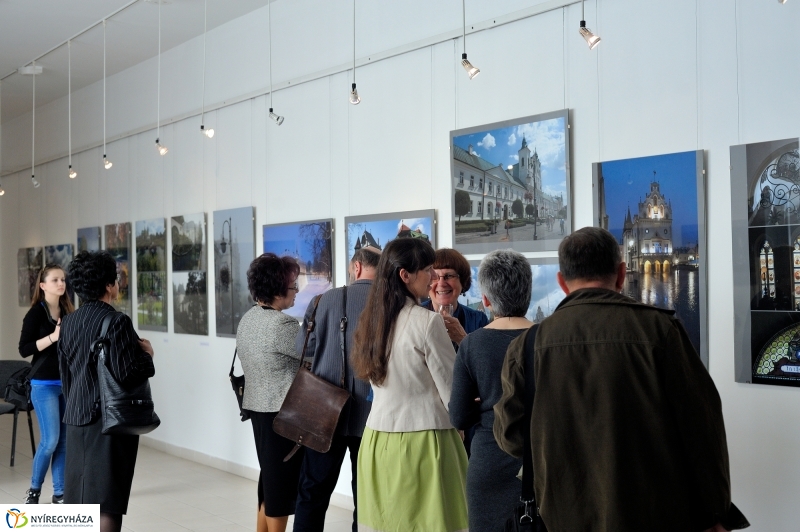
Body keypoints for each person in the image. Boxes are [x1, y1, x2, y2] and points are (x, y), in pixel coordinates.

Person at [494, 227, 750, 532]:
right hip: (655, 513)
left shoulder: (526, 345)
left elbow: (510, 437)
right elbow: (702, 431)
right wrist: (714, 512)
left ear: (562, 282)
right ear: (621, 273)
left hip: (563, 514)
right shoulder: (661, 331)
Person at [351, 238, 468, 532]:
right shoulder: (428, 322)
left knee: (388, 524)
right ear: (405, 275)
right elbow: (454, 393)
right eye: (428, 270)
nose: (432, 278)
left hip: (377, 440)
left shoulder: (370, 320)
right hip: (426, 441)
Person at [58, 251, 155, 532]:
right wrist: (148, 355)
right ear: (110, 285)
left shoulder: (69, 322)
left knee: (80, 501)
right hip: (109, 421)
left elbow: (67, 374)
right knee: (108, 500)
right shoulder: (117, 322)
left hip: (76, 416)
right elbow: (127, 373)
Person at [292, 247, 380, 532]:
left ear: (356, 268)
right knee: (366, 497)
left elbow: (302, 350)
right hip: (373, 415)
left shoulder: (322, 300)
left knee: (312, 492)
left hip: (324, 413)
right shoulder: (390, 304)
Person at [449, 249, 533, 532]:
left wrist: (482, 404)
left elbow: (459, 416)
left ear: (485, 300)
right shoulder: (546, 339)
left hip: (489, 460)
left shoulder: (472, 344)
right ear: (527, 294)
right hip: (539, 460)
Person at [237, 253, 302, 532]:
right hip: (282, 413)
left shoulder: (248, 318)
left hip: (257, 409)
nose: (297, 292)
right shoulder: (283, 325)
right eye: (293, 286)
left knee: (270, 478)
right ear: (277, 290)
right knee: (281, 485)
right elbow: (310, 357)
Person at [18, 264, 74, 504]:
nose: (61, 284)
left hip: (67, 383)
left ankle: (59, 492)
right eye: (55, 280)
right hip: (43, 385)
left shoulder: (69, 311)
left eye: (62, 280)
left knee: (63, 441)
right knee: (50, 440)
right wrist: (53, 337)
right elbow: (24, 349)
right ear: (43, 286)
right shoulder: (35, 314)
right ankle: (34, 489)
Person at [423, 248, 489, 347]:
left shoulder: (478, 319)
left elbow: (483, 361)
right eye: (435, 277)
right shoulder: (413, 316)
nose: (441, 283)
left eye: (449, 276)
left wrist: (461, 338)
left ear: (462, 282)